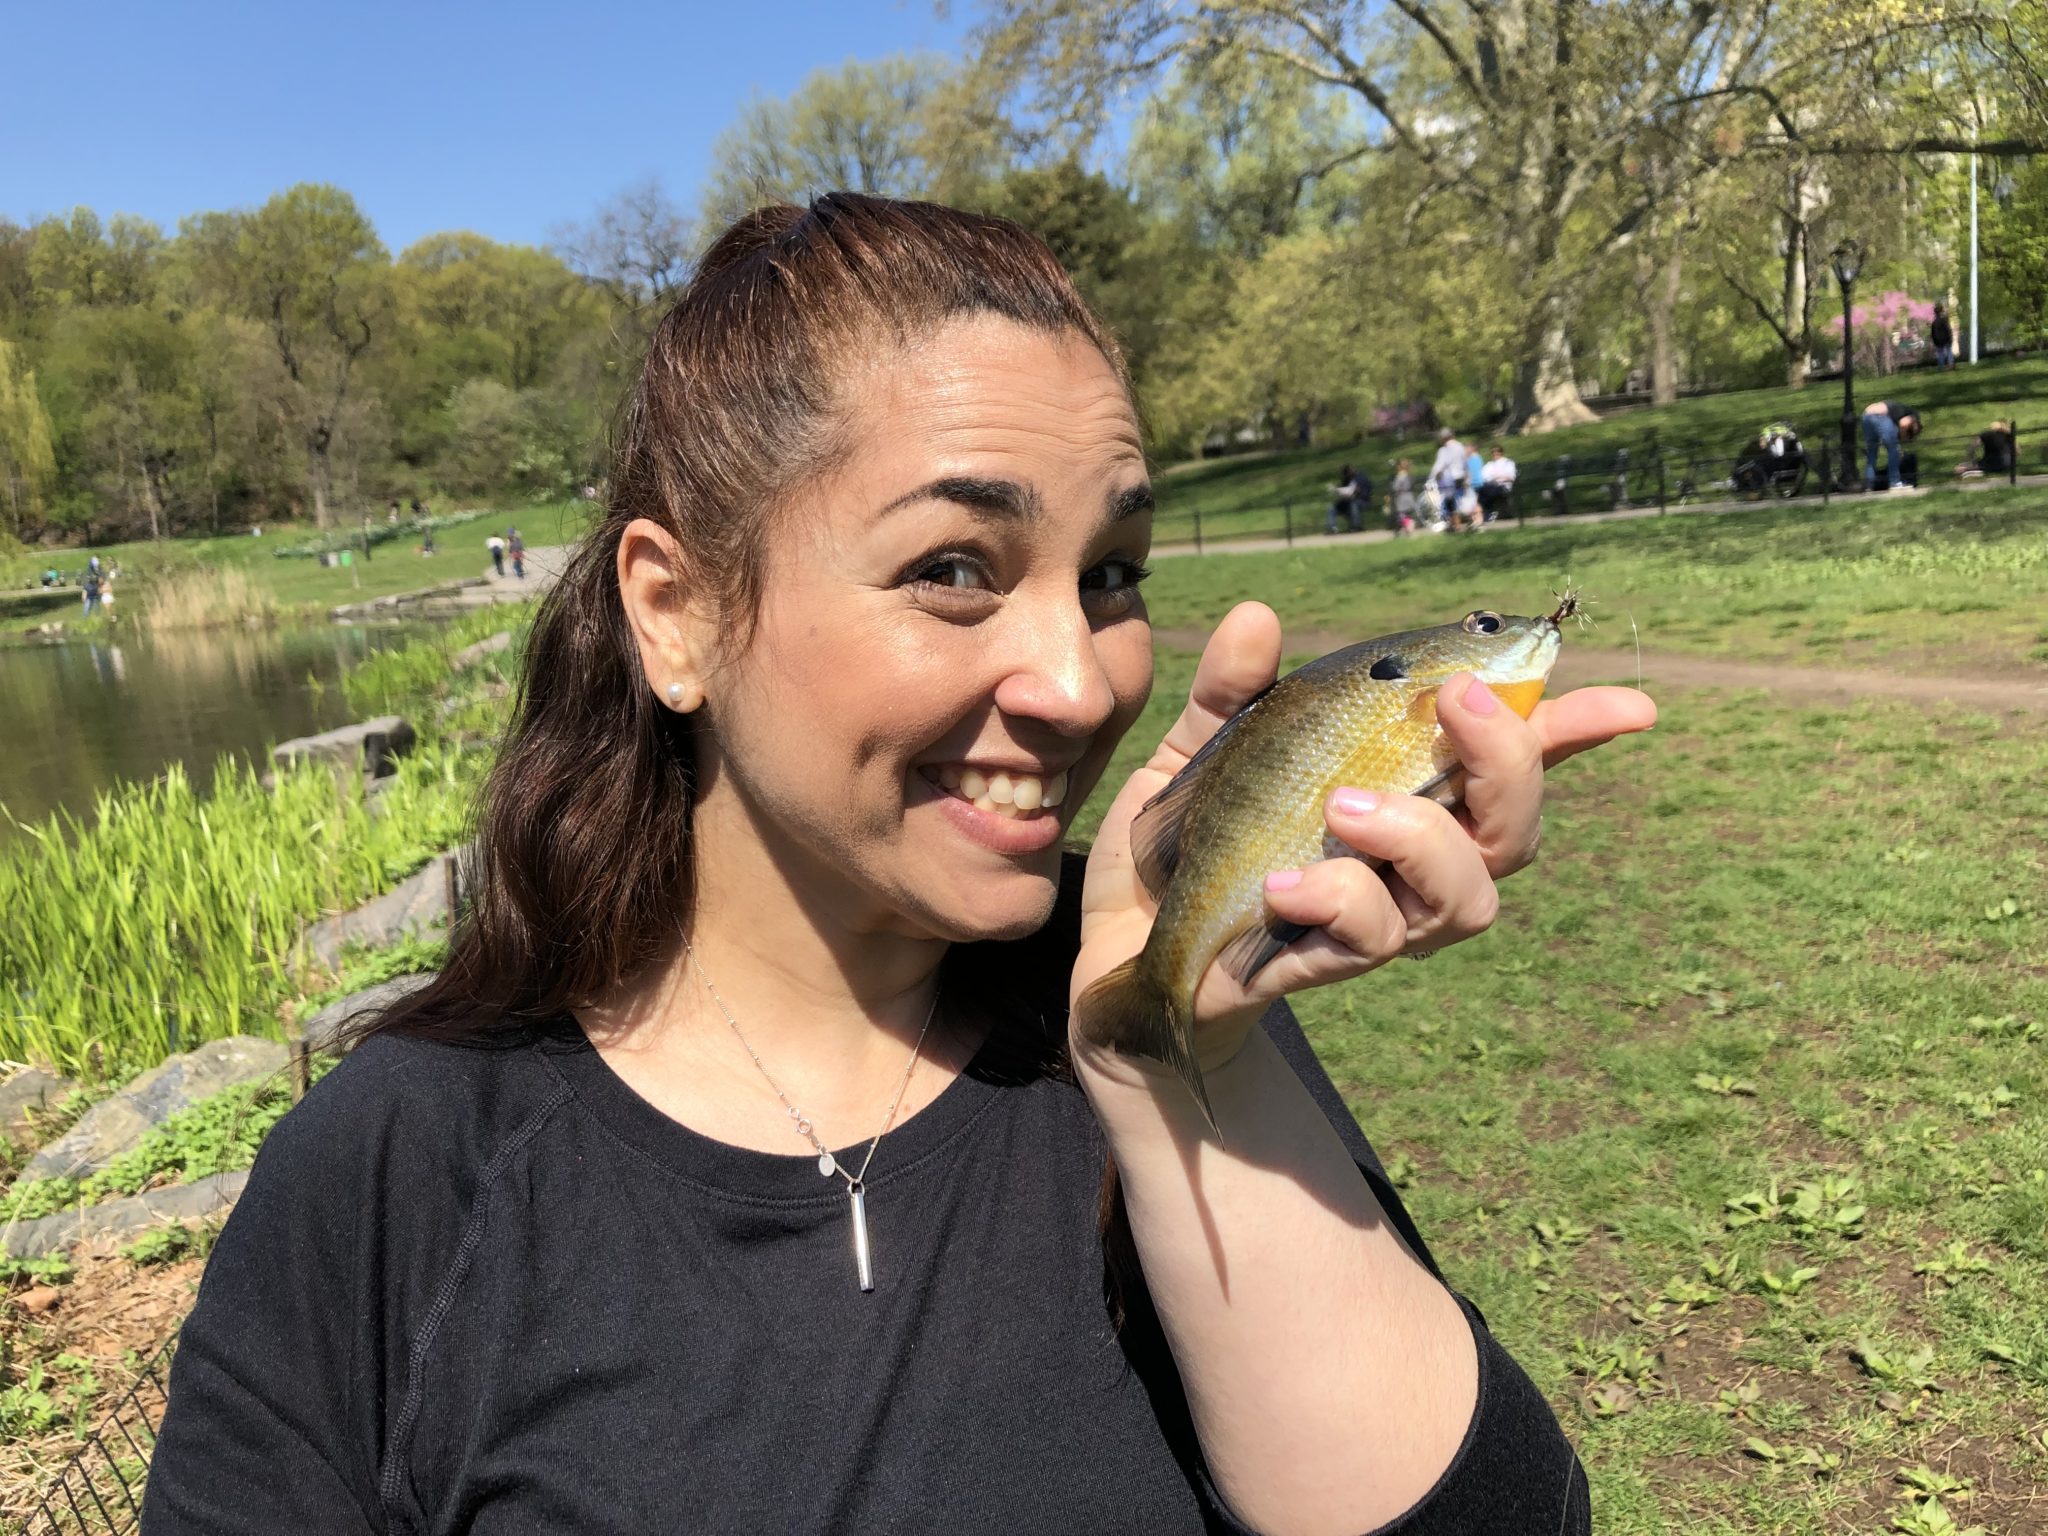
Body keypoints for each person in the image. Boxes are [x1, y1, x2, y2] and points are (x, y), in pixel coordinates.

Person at [145, 192, 1651, 1536]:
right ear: (675, 617)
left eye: (1110, 572)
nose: (1081, 680)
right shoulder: (390, 1182)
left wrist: (1181, 1048)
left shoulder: (1120, 1010)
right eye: (951, 569)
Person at [1861, 399, 1923, 492]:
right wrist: (1902, 438)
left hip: (1866, 416)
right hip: (1880, 416)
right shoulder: (1914, 415)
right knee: (1894, 450)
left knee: (1872, 454)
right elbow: (1903, 423)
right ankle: (1895, 482)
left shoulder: (1899, 411)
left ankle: (1869, 485)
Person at [1427, 428, 1467, 517]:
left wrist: (1431, 478)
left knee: (1451, 502)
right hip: (1460, 476)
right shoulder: (1460, 447)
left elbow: (1439, 465)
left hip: (1449, 479)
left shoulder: (1443, 450)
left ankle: (1454, 523)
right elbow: (1465, 462)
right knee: (1460, 500)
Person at [1479, 446, 1518, 522]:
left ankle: (1491, 514)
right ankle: (1487, 516)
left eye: (1497, 452)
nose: (1495, 454)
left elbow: (1511, 476)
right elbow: (1483, 476)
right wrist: (1498, 476)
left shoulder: (1508, 462)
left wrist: (1494, 477)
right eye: (1493, 452)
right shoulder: (1489, 464)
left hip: (1504, 486)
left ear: (1501, 452)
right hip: (1490, 486)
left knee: (1488, 491)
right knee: (1482, 490)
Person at [1326, 464, 1360, 535]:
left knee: (1353, 505)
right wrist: (1337, 491)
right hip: (1345, 501)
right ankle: (1332, 528)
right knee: (1331, 507)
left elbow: (1356, 491)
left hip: (1357, 501)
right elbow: (1344, 492)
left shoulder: (1358, 479)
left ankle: (1355, 527)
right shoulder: (1345, 481)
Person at [1389, 457, 1418, 535]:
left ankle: (1409, 526)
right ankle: (1406, 529)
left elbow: (1395, 487)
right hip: (1410, 496)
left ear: (1399, 467)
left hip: (1402, 498)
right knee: (1407, 514)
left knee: (1401, 515)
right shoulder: (1409, 475)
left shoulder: (1400, 476)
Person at [1931, 304, 1954, 370]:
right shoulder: (1944, 320)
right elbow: (1947, 329)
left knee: (1940, 353)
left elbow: (1932, 333)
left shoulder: (1934, 322)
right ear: (1941, 311)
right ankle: (1950, 365)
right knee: (1949, 351)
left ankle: (1941, 366)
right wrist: (1950, 337)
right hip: (1946, 339)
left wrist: (1934, 340)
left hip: (1938, 340)